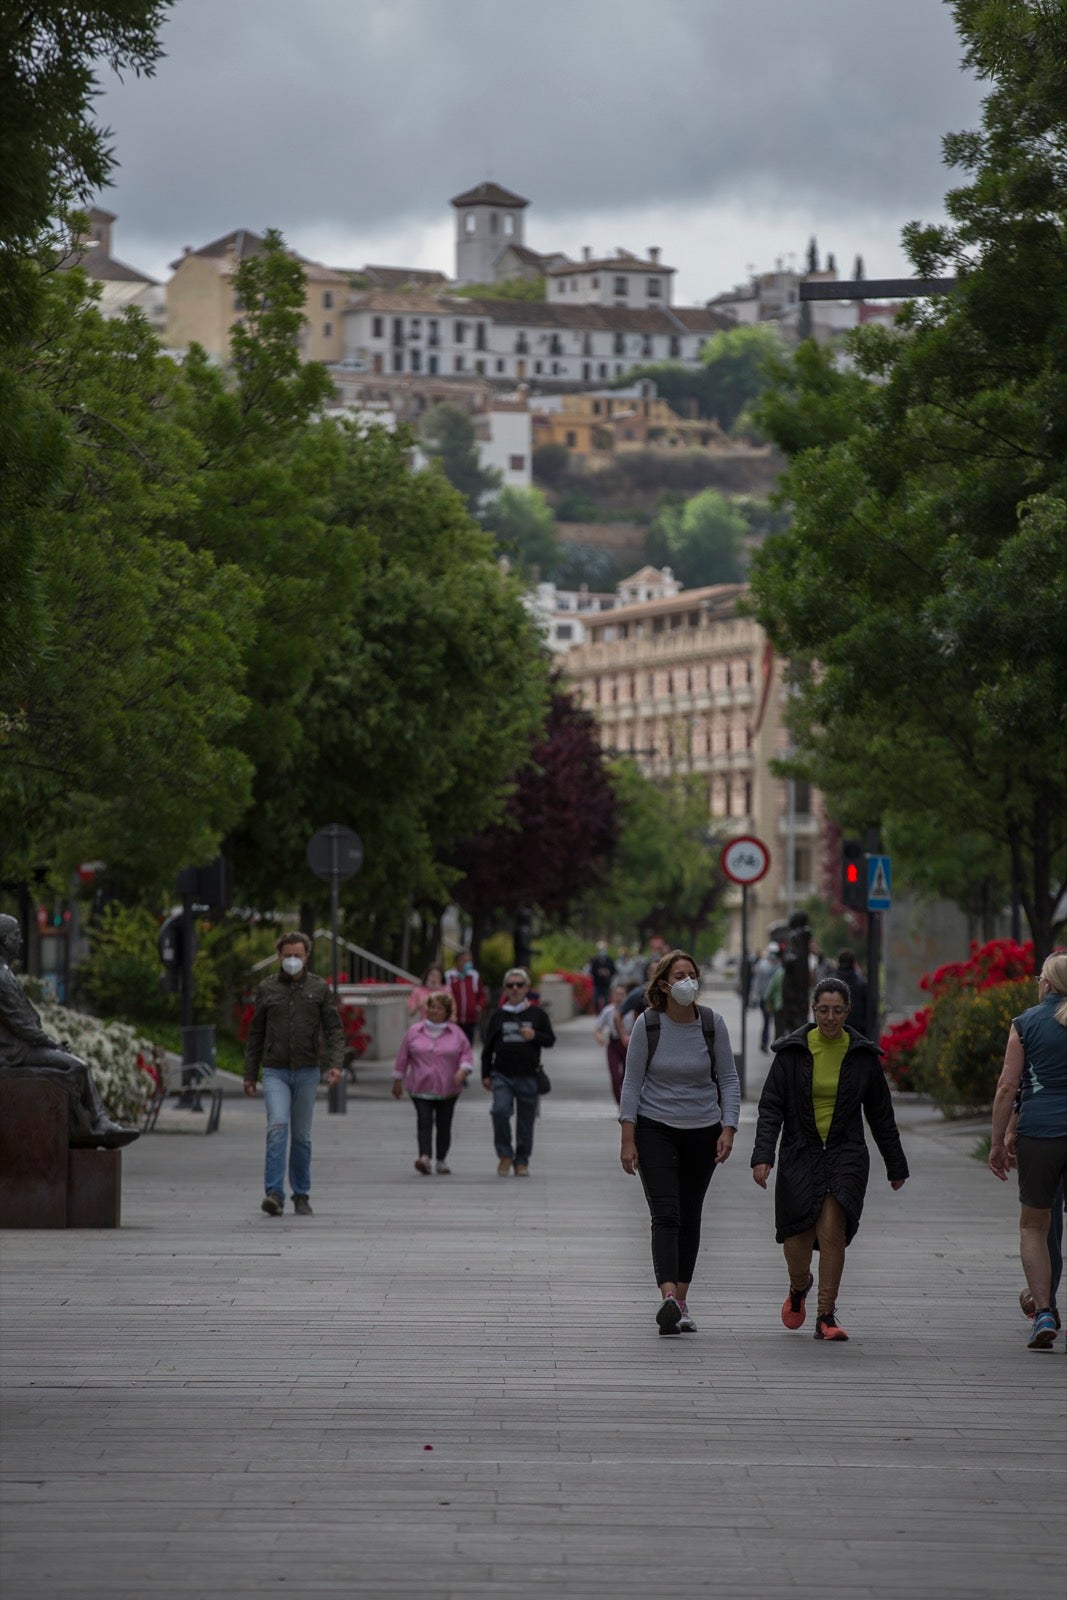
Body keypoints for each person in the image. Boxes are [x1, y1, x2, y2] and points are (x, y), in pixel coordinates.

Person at [751, 975, 908, 1341]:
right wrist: (763, 1156)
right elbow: (771, 1107)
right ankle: (799, 1285)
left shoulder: (862, 1055)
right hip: (799, 1151)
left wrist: (895, 1164)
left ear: (848, 1012)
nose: (830, 1018)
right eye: (824, 1010)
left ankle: (826, 1315)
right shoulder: (792, 1052)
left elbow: (881, 1115)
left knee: (832, 1230)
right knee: (797, 1238)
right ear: (814, 1010)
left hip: (845, 1152)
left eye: (838, 1011)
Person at [619, 949, 740, 1336]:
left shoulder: (711, 1024)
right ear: (664, 984)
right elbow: (632, 1082)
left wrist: (729, 1127)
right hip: (655, 1128)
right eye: (679, 975)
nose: (688, 981)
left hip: (703, 1130)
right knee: (666, 1213)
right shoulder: (647, 1025)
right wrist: (627, 1137)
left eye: (692, 974)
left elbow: (729, 1079)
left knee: (690, 1214)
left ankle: (682, 1301)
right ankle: (668, 1295)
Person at [0, 914, 138, 1148]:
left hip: (22, 1047)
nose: (20, 941)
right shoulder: (2, 977)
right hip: (14, 1053)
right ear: (3, 939)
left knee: (72, 1065)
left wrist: (49, 1043)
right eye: (16, 936)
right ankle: (94, 1125)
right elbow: (22, 1026)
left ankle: (87, 1127)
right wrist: (51, 1044)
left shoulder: (5, 972)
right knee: (77, 1066)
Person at [988, 953, 1067, 1351]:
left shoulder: (1026, 1023)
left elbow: (1007, 1087)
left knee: (1034, 1225)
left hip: (1039, 1136)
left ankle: (1044, 1312)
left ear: (1048, 984)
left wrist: (998, 1140)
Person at [244, 931, 344, 1217]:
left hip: (307, 1071)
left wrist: (334, 1064)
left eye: (297, 956)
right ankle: (274, 1193)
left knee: (301, 1136)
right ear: (279, 956)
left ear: (306, 956)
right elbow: (256, 1034)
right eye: (287, 955)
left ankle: (301, 1193)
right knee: (277, 1128)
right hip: (275, 1071)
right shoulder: (267, 988)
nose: (291, 961)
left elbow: (334, 1030)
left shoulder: (319, 989)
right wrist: (250, 1074)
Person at [480, 967, 555, 1176]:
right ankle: (505, 1154)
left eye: (519, 985)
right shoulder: (498, 1016)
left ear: (527, 988)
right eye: (510, 985)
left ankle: (522, 1160)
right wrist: (485, 1074)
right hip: (501, 1074)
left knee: (525, 1121)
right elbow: (487, 1048)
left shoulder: (537, 1014)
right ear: (505, 989)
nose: (515, 989)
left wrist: (534, 1035)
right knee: (499, 1111)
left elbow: (550, 1040)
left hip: (528, 1075)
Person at [392, 990, 473, 1175]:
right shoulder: (414, 1031)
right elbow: (403, 1057)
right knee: (424, 1121)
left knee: (444, 1124)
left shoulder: (456, 1033)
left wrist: (463, 1070)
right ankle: (424, 1157)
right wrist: (397, 1080)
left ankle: (442, 1159)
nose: (435, 1011)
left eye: (439, 1008)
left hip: (448, 1087)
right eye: (432, 1007)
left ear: (447, 1011)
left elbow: (466, 1054)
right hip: (420, 1086)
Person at [594, 980, 629, 1104]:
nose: (619, 997)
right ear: (612, 996)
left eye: (622, 994)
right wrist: (599, 1037)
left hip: (628, 1045)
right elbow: (598, 1028)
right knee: (615, 1076)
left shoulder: (631, 1011)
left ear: (626, 996)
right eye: (617, 994)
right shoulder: (608, 1011)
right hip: (613, 1044)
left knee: (626, 1077)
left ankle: (626, 1103)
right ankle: (619, 1103)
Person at [780, 910, 812, 1033]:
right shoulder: (803, 936)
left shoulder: (796, 936)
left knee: (793, 1022)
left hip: (793, 990)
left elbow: (793, 959)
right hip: (799, 990)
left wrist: (784, 956)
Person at [445, 949, 487, 1043]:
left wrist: (479, 1006)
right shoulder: (449, 976)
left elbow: (481, 995)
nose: (468, 963)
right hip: (454, 1019)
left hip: (471, 1020)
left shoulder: (474, 976)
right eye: (466, 960)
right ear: (459, 960)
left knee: (468, 1043)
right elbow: (445, 995)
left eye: (470, 960)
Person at [831, 949, 869, 1037]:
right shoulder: (862, 982)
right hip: (858, 1029)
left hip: (836, 1027)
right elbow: (869, 1008)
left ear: (838, 962)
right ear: (853, 963)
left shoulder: (830, 981)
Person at [751, 943, 781, 1054]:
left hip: (775, 999)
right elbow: (757, 982)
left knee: (777, 1023)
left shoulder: (779, 965)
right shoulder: (762, 964)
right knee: (766, 1022)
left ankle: (777, 1044)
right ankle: (764, 1043)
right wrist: (755, 997)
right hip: (764, 998)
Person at [588, 941, 617, 1011]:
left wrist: (608, 972)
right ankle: (597, 1012)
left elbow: (614, 970)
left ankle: (605, 1011)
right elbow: (591, 971)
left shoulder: (609, 960)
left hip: (606, 983)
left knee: (606, 998)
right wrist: (599, 972)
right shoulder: (595, 960)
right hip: (597, 983)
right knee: (596, 998)